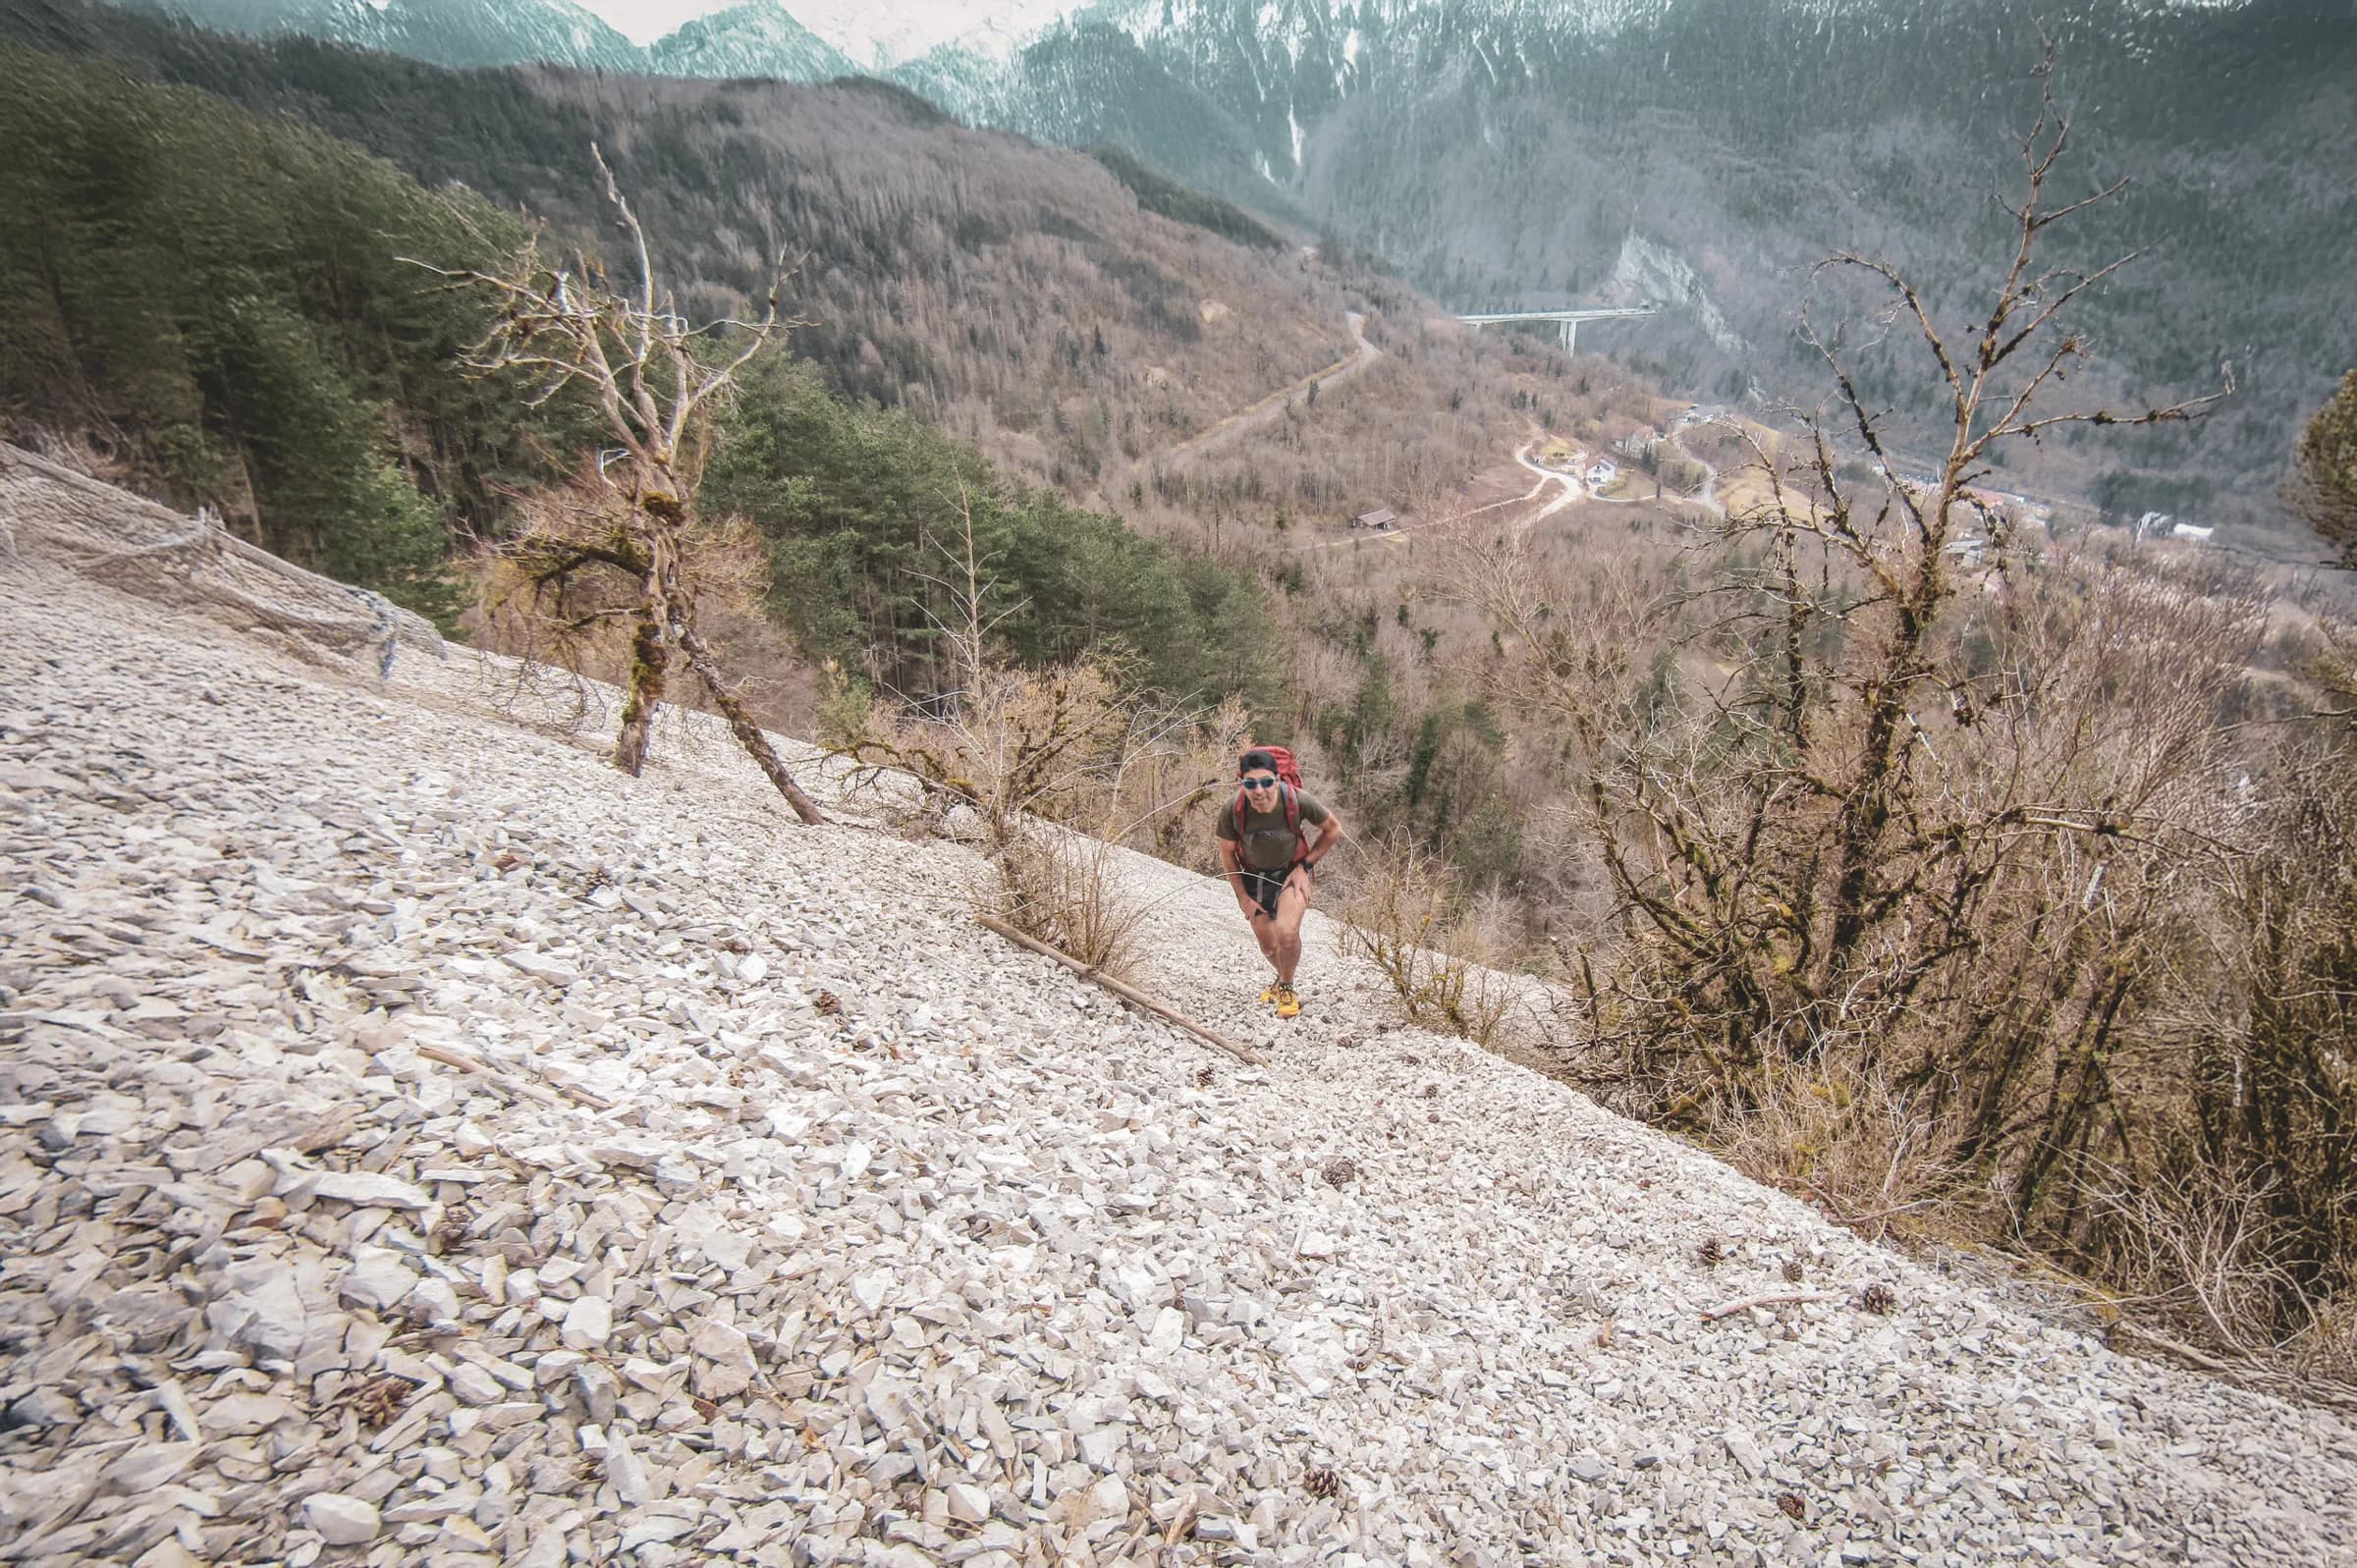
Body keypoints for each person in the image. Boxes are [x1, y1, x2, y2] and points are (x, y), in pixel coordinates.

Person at [1214, 749, 1343, 1018]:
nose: (1259, 790)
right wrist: (1243, 899)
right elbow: (1227, 855)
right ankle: (1281, 976)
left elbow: (1333, 829)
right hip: (1253, 877)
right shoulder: (1233, 809)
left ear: (1277, 778)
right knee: (1268, 946)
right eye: (1250, 783)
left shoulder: (1296, 800)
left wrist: (1304, 867)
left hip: (1290, 873)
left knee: (1286, 932)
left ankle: (1287, 987)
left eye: (1266, 782)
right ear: (1242, 782)